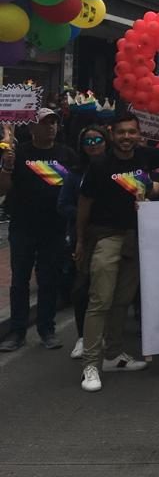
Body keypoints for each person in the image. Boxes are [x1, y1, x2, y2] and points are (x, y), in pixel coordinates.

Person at [75, 113, 159, 392]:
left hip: (137, 238)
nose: (127, 137)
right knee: (100, 300)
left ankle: (113, 354)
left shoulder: (144, 156)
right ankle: (91, 364)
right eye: (121, 133)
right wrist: (80, 241)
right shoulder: (100, 164)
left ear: (139, 134)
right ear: (111, 134)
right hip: (107, 237)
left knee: (122, 299)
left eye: (132, 132)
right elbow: (84, 204)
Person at [0, 109, 77, 352]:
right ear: (33, 128)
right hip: (22, 226)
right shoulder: (18, 153)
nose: (51, 127)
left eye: (54, 123)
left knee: (48, 280)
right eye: (45, 123)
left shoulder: (67, 154)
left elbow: (76, 188)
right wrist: (7, 167)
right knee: (19, 281)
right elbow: (4, 189)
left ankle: (47, 329)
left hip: (54, 228)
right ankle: (17, 331)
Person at [58, 125, 109, 359]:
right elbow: (63, 205)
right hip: (82, 238)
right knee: (81, 289)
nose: (94, 145)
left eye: (98, 140)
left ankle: (105, 334)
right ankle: (82, 337)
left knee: (108, 289)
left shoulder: (115, 169)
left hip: (110, 234)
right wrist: (83, 213)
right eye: (88, 141)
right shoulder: (74, 174)